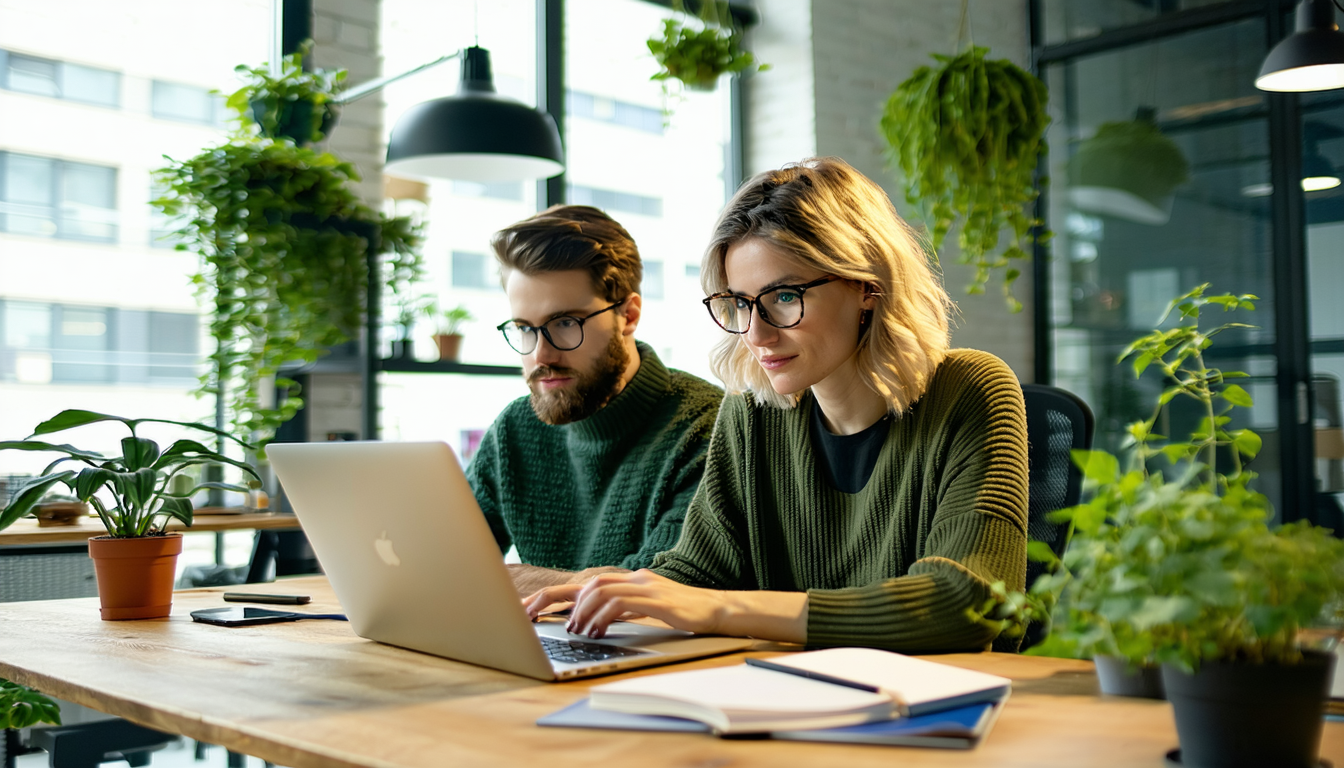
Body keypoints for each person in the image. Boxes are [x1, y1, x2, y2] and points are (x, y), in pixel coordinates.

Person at [524, 158, 1028, 653]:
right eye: (740, 304)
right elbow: (701, 572)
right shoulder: (752, 414)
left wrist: (724, 610)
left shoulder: (972, 389)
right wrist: (613, 592)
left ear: (867, 286)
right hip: (789, 700)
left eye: (784, 296)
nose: (756, 333)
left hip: (934, 714)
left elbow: (966, 601)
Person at [466, 205, 723, 595]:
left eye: (565, 324)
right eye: (524, 329)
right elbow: (447, 558)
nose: (541, 356)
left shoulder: (707, 426)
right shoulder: (515, 429)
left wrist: (506, 580)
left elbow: (663, 585)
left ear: (628, 315)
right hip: (544, 648)